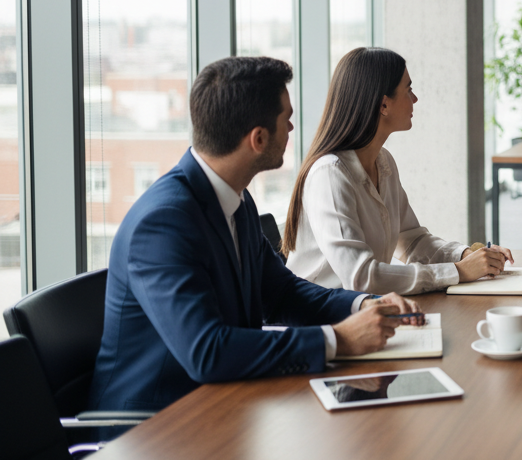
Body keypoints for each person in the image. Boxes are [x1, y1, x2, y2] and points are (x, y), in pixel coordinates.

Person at [89, 57, 422, 416]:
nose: (293, 126)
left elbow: (282, 293)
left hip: (229, 403)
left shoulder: (236, 199)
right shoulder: (162, 223)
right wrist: (339, 340)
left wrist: (363, 305)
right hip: (158, 427)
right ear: (258, 139)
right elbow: (208, 353)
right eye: (286, 119)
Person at [283, 47, 514, 294]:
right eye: (409, 90)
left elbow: (412, 240)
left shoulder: (384, 162)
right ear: (384, 105)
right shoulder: (330, 176)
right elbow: (361, 277)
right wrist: (458, 271)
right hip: (320, 321)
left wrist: (468, 255)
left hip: (365, 311)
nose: (415, 99)